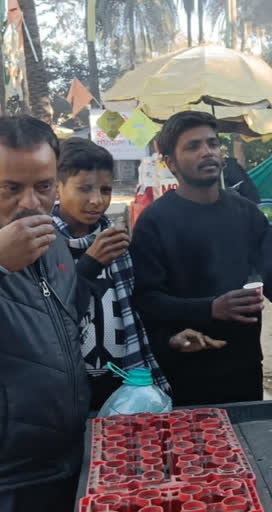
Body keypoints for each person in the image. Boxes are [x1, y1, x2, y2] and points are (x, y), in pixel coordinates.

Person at [130, 111, 272, 405]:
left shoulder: (247, 214)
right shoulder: (154, 222)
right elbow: (147, 300)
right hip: (181, 373)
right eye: (193, 146)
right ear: (171, 163)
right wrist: (210, 309)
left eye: (213, 144)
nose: (207, 152)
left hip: (243, 370)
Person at [0, 117, 90, 512]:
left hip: (66, 459)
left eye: (43, 186)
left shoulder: (53, 243)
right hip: (10, 477)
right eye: (9, 188)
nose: (29, 204)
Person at [52, 137, 170, 409]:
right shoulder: (43, 243)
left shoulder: (115, 242)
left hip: (121, 377)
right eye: (84, 189)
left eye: (105, 190)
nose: (96, 200)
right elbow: (49, 317)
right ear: (57, 188)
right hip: (67, 383)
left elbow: (133, 307)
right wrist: (89, 264)